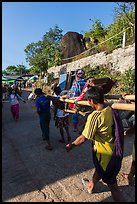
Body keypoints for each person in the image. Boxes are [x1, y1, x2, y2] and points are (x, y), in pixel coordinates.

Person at [66, 86, 125, 202]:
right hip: (113, 149)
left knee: (113, 188)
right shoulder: (109, 109)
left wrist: (71, 145)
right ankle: (91, 185)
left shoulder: (95, 116)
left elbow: (83, 138)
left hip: (105, 156)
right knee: (98, 168)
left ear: (91, 101)